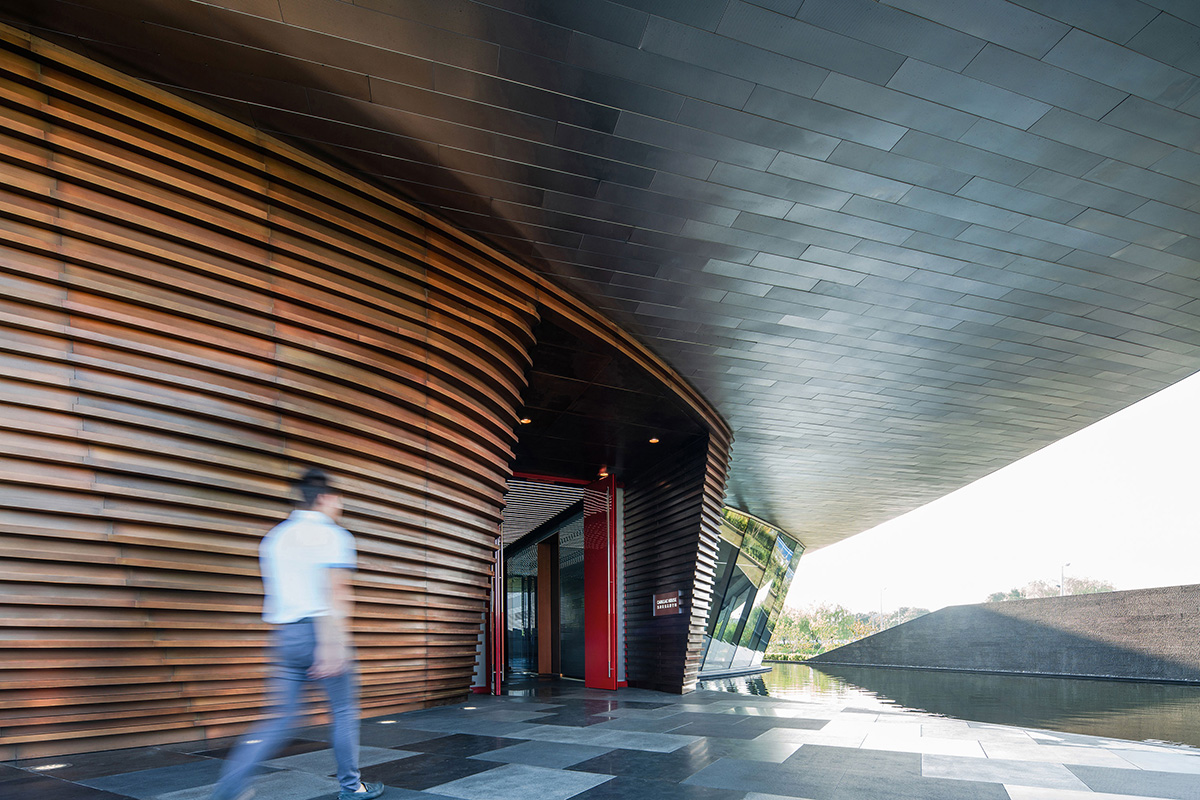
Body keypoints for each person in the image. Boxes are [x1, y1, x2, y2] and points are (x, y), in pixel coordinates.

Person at [212, 468, 385, 800]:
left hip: (285, 636)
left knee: (279, 719)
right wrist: (331, 645)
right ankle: (352, 787)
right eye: (337, 499)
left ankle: (230, 787)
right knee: (343, 712)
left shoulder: (275, 538)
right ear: (324, 498)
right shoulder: (333, 535)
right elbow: (335, 592)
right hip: (320, 631)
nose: (340, 505)